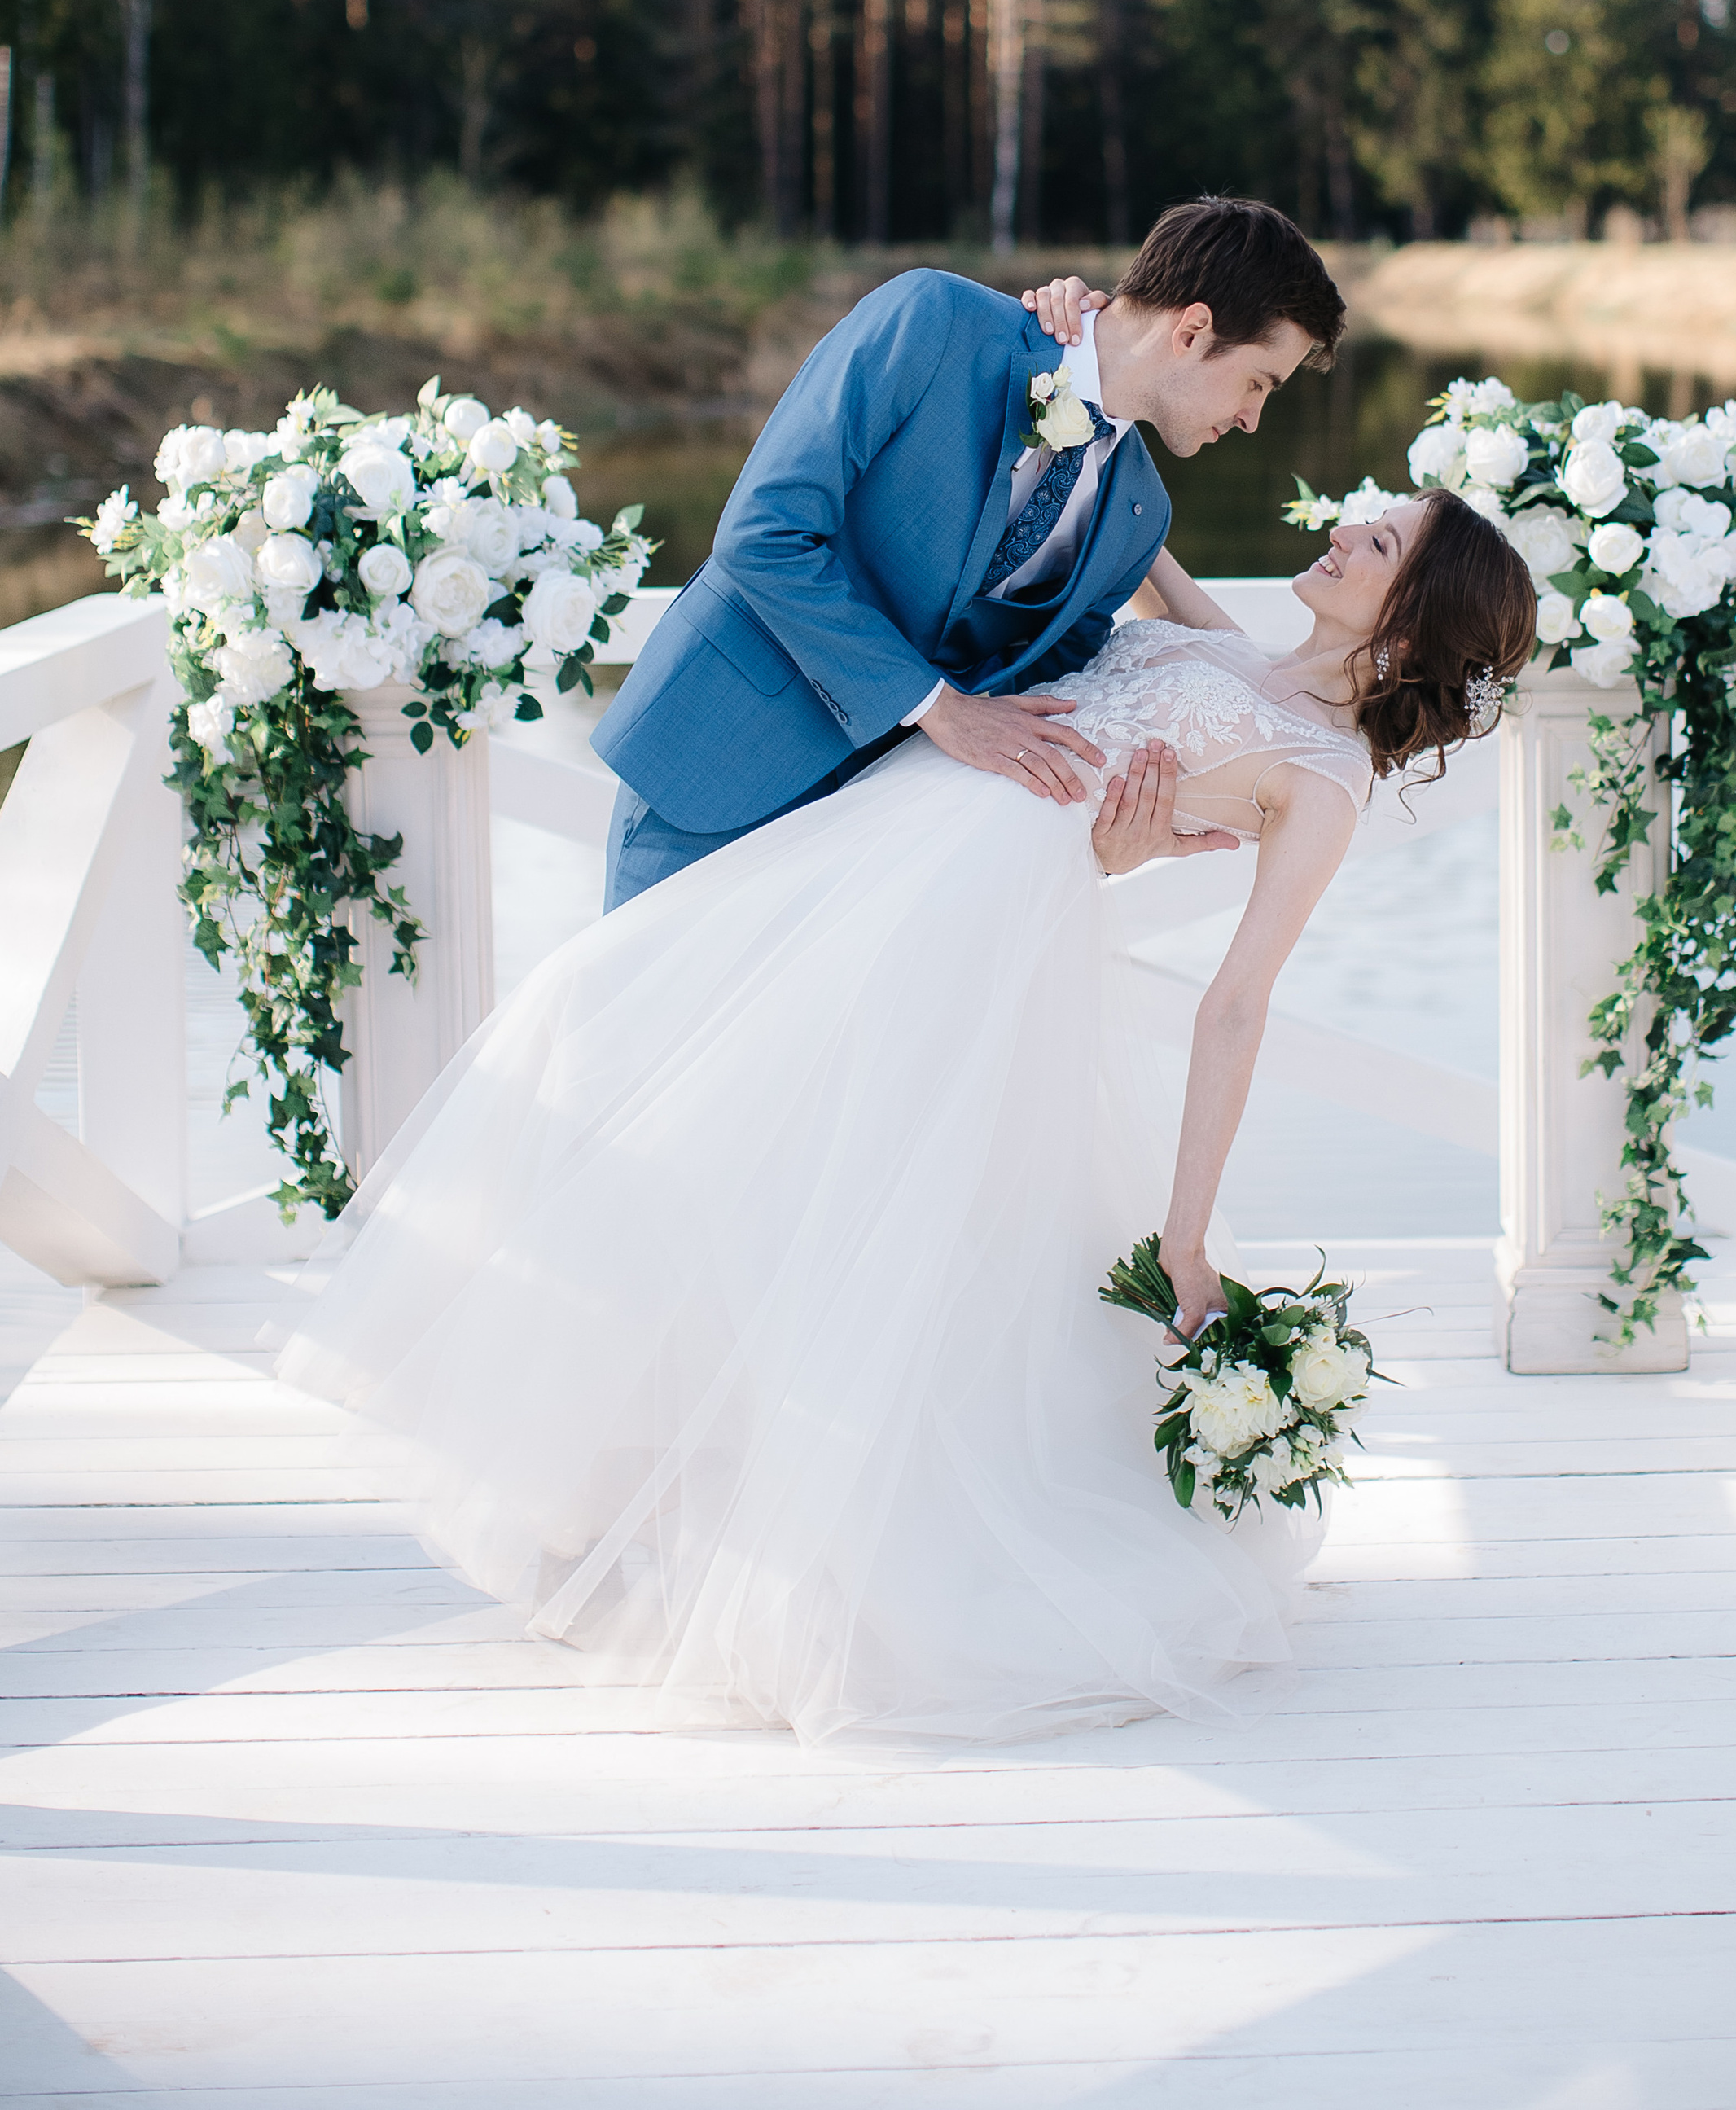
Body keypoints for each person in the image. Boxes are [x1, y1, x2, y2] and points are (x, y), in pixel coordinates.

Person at [279, 468, 1537, 1748]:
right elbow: (1141, 515)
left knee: (835, 1199)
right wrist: (1092, 390)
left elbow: (1236, 1007)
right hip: (870, 845)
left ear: (1402, 626)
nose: (1338, 531)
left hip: (965, 937)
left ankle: (787, 1548)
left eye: (1377, 541)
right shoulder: (1233, 649)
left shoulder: (1322, 781)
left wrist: (1187, 1235)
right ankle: (624, 1482)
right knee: (618, 1034)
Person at [590, 196, 1346, 906]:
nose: (1253, 418)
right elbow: (765, 536)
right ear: (1191, 332)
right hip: (713, 763)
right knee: (639, 1041)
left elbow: (1048, 706)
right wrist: (937, 707)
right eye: (1259, 382)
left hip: (878, 849)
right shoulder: (934, 322)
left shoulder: (1138, 519)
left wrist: (1116, 834)